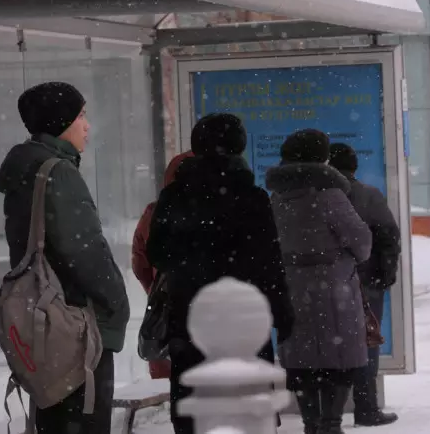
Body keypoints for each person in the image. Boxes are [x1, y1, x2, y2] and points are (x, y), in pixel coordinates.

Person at [147, 113, 293, 434]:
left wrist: (190, 264)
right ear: (239, 146)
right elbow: (269, 264)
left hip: (191, 318)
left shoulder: (174, 196)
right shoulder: (252, 198)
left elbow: (156, 253)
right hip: (243, 320)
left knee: (193, 407)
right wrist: (283, 315)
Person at [0, 81, 130, 434]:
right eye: (81, 116)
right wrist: (116, 303)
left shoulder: (25, 169)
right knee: (84, 421)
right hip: (75, 327)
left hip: (44, 323)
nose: (87, 125)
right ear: (60, 122)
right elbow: (85, 251)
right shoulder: (58, 172)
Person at [267, 130, 371, 434]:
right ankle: (331, 424)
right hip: (334, 287)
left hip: (291, 287)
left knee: (301, 361)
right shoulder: (329, 195)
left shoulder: (276, 198)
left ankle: (311, 423)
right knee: (339, 359)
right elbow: (361, 241)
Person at [328, 143, 400, 427]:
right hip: (366, 282)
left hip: (327, 284)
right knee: (367, 343)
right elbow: (389, 237)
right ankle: (366, 406)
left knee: (331, 345)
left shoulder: (318, 198)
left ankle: (328, 413)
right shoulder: (369, 196)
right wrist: (385, 275)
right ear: (354, 167)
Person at [131, 151, 193, 380]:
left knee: (169, 387)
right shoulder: (219, 213)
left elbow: (140, 263)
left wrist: (155, 290)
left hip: (167, 315)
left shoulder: (155, 213)